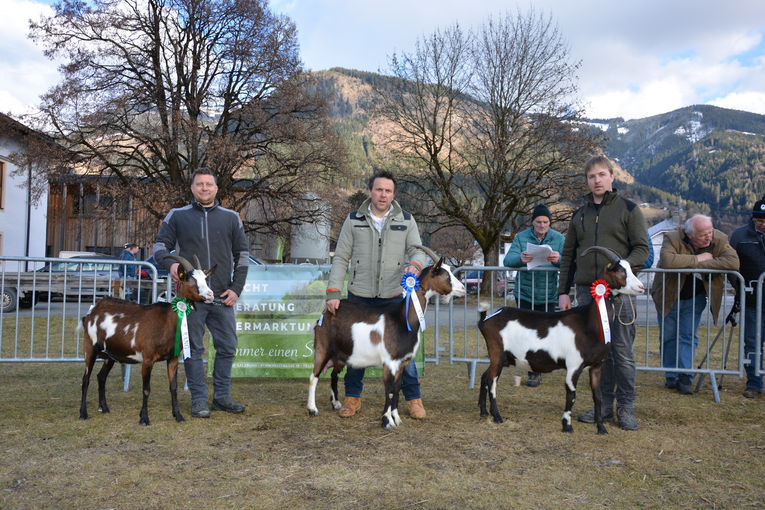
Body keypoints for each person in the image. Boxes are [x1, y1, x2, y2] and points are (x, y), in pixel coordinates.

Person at [325, 170, 428, 419]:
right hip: (359, 296)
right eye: (379, 190)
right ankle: (352, 397)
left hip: (394, 297)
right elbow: (340, 257)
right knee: (356, 349)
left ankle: (414, 399)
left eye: (388, 191)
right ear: (370, 191)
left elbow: (419, 252)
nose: (383, 195)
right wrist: (333, 291)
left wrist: (415, 266)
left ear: (394, 194)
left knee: (402, 352)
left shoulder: (406, 219)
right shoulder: (353, 220)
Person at [558, 155, 649, 431]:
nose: (596, 180)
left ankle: (626, 407)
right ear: (587, 181)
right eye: (591, 177)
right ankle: (604, 406)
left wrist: (620, 271)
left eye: (601, 175)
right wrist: (563, 292)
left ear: (612, 177)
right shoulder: (579, 214)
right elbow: (568, 256)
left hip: (618, 296)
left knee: (621, 352)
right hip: (587, 294)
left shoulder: (629, 210)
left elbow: (642, 250)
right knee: (597, 353)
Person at [153, 168, 250, 418]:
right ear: (192, 188)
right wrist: (171, 264)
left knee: (227, 346)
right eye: (199, 184)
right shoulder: (178, 216)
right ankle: (198, 400)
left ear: (217, 188)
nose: (204, 188)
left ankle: (221, 397)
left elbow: (243, 256)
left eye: (209, 184)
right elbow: (159, 247)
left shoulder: (231, 217)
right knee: (193, 349)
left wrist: (236, 288)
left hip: (221, 296)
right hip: (191, 300)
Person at [650, 214, 739, 395]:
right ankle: (671, 376)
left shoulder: (719, 238)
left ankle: (685, 378)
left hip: (695, 297)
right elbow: (668, 262)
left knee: (687, 335)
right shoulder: (672, 238)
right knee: (668, 336)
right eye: (703, 234)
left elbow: (732, 262)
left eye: (710, 232)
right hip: (668, 295)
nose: (708, 237)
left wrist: (698, 264)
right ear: (689, 235)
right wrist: (700, 259)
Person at [503, 203, 564, 387]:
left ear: (550, 223)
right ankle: (533, 371)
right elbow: (508, 261)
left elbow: (568, 262)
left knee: (545, 333)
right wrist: (520, 258)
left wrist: (558, 260)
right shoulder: (521, 237)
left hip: (548, 294)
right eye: (538, 222)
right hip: (525, 294)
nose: (542, 225)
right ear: (532, 222)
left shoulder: (559, 238)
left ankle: (542, 366)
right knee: (528, 334)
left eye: (546, 222)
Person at [729, 195, 765, 398]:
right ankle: (754, 383)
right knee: (752, 343)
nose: (763, 224)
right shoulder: (740, 235)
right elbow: (731, 264)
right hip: (752, 302)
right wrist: (740, 287)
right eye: (759, 220)